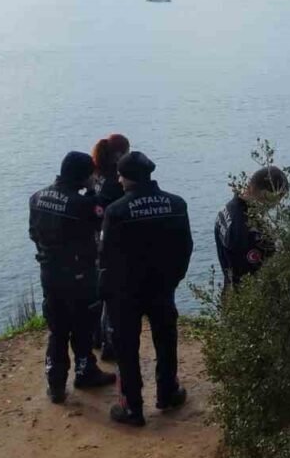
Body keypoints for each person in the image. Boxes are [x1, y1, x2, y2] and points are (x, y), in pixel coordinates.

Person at [100, 151, 193, 426]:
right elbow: (186, 247)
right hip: (162, 286)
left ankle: (132, 407)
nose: (118, 180)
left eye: (119, 175)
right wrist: (174, 278)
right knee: (166, 340)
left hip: (126, 291)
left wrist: (107, 290)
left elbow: (106, 257)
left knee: (126, 347)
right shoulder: (176, 204)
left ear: (126, 178)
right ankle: (168, 392)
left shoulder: (116, 211)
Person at [28, 151, 117, 404]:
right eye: (91, 174)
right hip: (79, 275)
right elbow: (102, 217)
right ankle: (85, 371)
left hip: (49, 273)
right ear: (82, 175)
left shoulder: (37, 197)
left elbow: (33, 232)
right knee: (82, 326)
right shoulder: (81, 204)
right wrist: (95, 191)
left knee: (57, 329)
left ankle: (55, 384)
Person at [90, 133, 130, 362]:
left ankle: (96, 336)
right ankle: (110, 343)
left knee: (99, 290)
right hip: (110, 241)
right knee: (113, 294)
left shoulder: (97, 176)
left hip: (93, 239)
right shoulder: (117, 182)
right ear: (119, 155)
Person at [215, 166, 290, 288]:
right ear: (265, 194)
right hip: (247, 294)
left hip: (230, 287)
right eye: (278, 198)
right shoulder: (249, 232)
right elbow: (259, 275)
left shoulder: (229, 209)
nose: (277, 204)